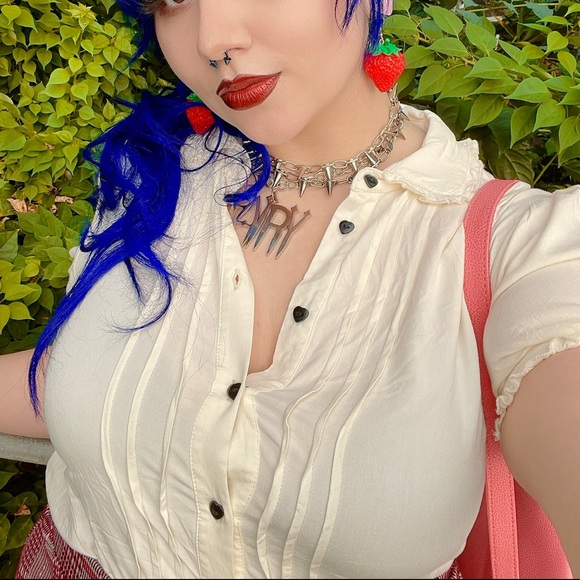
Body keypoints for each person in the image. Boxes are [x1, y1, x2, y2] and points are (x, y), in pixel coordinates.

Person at [1, 0, 579, 577]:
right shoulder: (152, 174)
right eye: (170, 1)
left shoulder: (517, 250)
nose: (211, 39)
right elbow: (87, 372)